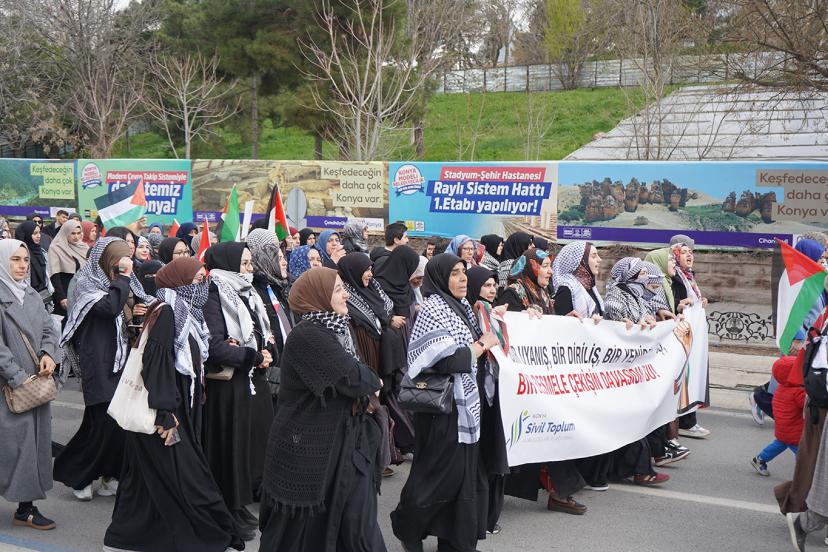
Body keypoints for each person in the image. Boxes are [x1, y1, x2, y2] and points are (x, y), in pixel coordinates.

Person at [103, 258, 244, 552]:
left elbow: (191, 359)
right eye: (196, 280)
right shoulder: (168, 312)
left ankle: (125, 537)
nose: (201, 286)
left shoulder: (187, 313)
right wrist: (165, 413)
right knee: (189, 477)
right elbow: (156, 362)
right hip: (166, 412)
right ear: (179, 281)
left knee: (147, 478)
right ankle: (211, 535)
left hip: (178, 407)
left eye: (203, 280)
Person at [259, 267, 385, 551]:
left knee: (357, 527)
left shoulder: (337, 328)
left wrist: (368, 382)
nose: (345, 294)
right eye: (338, 289)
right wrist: (371, 381)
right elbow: (356, 378)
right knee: (303, 531)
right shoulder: (309, 335)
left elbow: (358, 377)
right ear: (318, 296)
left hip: (344, 442)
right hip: (311, 445)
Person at [391, 253, 499, 552]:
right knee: (435, 477)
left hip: (466, 408)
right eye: (454, 273)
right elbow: (449, 361)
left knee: (462, 479)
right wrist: (481, 344)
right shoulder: (433, 310)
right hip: (442, 412)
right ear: (439, 277)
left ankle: (453, 541)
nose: (463, 278)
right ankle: (408, 527)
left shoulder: (462, 307)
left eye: (464, 272)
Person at [53, 237, 151, 501]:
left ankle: (111, 475)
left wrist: (137, 310)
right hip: (97, 364)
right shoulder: (87, 285)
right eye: (117, 263)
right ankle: (79, 477)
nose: (121, 268)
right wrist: (123, 278)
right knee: (101, 426)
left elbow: (124, 312)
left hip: (120, 364)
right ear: (106, 262)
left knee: (117, 427)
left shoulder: (119, 285)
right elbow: (109, 308)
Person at [498, 249, 590, 513]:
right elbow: (508, 330)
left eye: (550, 266)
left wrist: (563, 321)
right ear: (532, 266)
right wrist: (525, 318)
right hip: (522, 382)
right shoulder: (513, 294)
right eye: (546, 265)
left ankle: (559, 490)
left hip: (543, 380)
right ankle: (558, 491)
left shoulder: (544, 293)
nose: (550, 271)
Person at [202, 241, 273, 541]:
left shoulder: (246, 292)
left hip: (250, 380)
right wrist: (253, 356)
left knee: (246, 447)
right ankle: (228, 508)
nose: (249, 268)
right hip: (227, 386)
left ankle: (240, 503)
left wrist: (265, 352)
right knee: (230, 449)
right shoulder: (214, 294)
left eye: (250, 262)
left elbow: (257, 332)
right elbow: (216, 347)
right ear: (228, 264)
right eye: (244, 263)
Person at [0, 239, 60, 530]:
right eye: (15, 259)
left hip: (34, 386)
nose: (23, 265)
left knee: (30, 447)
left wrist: (48, 353)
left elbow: (49, 329)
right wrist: (18, 377)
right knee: (13, 446)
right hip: (10, 387)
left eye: (25, 259)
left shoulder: (31, 294)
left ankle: (26, 507)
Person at [600, 258, 670, 487]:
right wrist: (630, 325)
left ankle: (635, 468)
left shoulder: (636, 296)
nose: (645, 277)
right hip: (618, 369)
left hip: (633, 369)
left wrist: (647, 321)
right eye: (640, 273)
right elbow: (615, 321)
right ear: (629, 276)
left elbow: (642, 317)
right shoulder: (616, 295)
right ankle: (640, 470)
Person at [338, 252, 403, 475]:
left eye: (370, 269)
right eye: (365, 270)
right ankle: (371, 458)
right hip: (361, 353)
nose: (370, 274)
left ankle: (381, 455)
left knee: (377, 403)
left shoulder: (371, 290)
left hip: (375, 351)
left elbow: (383, 313)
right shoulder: (346, 297)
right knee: (366, 405)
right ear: (353, 272)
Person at [466, 265, 509, 536]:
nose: (492, 290)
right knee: (479, 459)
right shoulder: (470, 316)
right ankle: (478, 518)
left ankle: (489, 516)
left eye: (494, 285)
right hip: (477, 396)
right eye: (486, 285)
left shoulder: (494, 316)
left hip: (496, 396)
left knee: (493, 455)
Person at [776, 298, 828, 515]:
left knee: (812, 459)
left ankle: (796, 506)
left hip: (815, 391)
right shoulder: (816, 299)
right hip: (818, 396)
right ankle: (797, 511)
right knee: (812, 459)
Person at [373, 244, 421, 456]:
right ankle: (407, 440)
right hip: (391, 347)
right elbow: (374, 310)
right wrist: (389, 319)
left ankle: (407, 441)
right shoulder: (381, 284)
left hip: (407, 341)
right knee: (396, 390)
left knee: (405, 388)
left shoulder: (405, 286)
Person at [669, 235, 711, 439]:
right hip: (681, 333)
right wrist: (681, 305)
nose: (689, 255)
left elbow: (692, 298)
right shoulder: (673, 276)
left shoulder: (688, 275)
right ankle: (684, 421)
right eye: (684, 252)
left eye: (691, 252)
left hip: (692, 332)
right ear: (675, 254)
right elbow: (674, 300)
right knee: (684, 375)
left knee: (692, 374)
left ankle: (687, 419)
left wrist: (700, 301)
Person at [751, 355, 803, 477]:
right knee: (803, 453)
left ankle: (760, 459)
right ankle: (804, 474)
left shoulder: (781, 388)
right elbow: (805, 403)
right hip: (795, 431)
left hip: (783, 428)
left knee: (779, 444)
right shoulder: (797, 392)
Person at [47, 220, 88, 319]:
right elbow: (54, 275)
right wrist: (61, 297)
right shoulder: (56, 248)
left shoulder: (83, 247)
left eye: (78, 233)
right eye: (72, 233)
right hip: (65, 293)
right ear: (65, 232)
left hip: (82, 292)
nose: (76, 237)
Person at [14, 222, 51, 305]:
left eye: (39, 233)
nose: (39, 236)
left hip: (43, 295)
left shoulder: (41, 252)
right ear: (26, 235)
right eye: (35, 233)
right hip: (24, 297)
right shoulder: (18, 253)